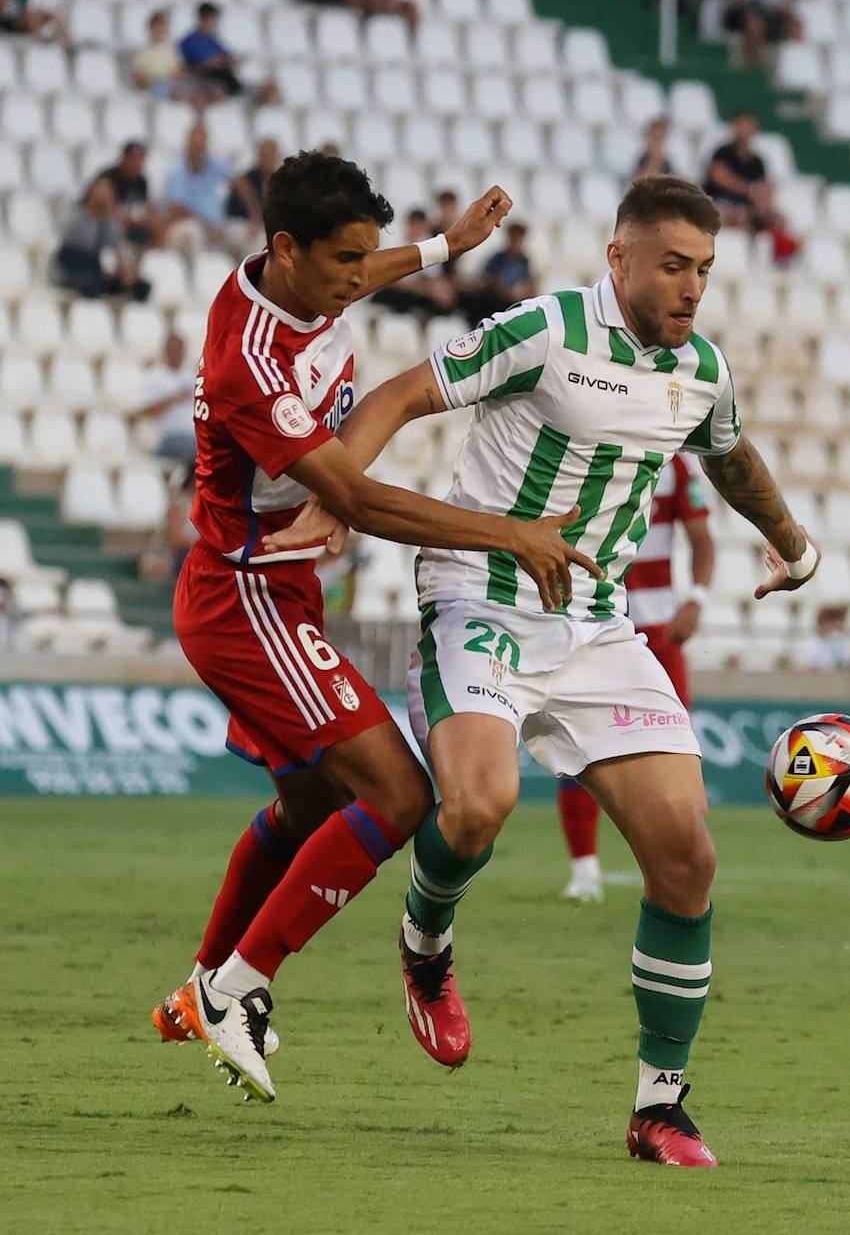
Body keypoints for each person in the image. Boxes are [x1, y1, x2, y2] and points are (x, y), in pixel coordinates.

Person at [269, 174, 820, 1164]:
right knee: (478, 805)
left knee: (686, 858)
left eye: (701, 269)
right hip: (477, 597)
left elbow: (730, 459)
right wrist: (333, 497)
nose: (689, 286)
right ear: (619, 259)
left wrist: (793, 543)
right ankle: (425, 946)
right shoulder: (543, 329)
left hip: (595, 628)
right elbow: (400, 395)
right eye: (670, 265)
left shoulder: (698, 370)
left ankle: (659, 1105)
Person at [150, 154, 596, 1105]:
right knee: (398, 794)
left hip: (279, 595)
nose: (362, 274)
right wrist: (509, 534)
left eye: (366, 256)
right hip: (246, 602)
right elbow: (352, 496)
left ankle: (200, 983)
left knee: (315, 803)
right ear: (287, 249)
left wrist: (443, 247)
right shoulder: (249, 363)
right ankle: (238, 989)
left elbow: (363, 275)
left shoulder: (304, 285)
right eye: (346, 258)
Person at [558, 451, 715, 904]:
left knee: (677, 750)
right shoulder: (584, 452)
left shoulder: (677, 466)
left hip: (660, 626)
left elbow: (704, 540)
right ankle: (584, 868)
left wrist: (697, 599)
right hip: (593, 622)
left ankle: (675, 868)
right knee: (578, 744)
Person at [52, 178, 150, 300]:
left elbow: (117, 248)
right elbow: (83, 249)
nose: (105, 196)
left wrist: (123, 272)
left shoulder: (109, 222)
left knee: (141, 287)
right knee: (90, 282)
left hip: (98, 270)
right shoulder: (76, 217)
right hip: (74, 267)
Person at [162, 123, 233, 252]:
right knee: (193, 233)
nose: (199, 150)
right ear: (188, 144)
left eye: (202, 145)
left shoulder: (213, 163)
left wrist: (254, 214)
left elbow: (237, 180)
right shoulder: (177, 171)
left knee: (244, 234)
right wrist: (207, 226)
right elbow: (178, 210)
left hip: (216, 226)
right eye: (196, 145)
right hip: (186, 225)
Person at [703, 111, 777, 232]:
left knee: (775, 219)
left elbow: (764, 186)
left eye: (748, 126)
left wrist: (763, 197)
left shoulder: (757, 161)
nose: (745, 130)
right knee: (739, 216)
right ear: (734, 127)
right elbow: (718, 176)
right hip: (721, 202)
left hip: (747, 207)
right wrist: (749, 189)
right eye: (741, 126)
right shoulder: (722, 153)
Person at [374, 208, 457, 315]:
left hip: (415, 290)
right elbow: (392, 280)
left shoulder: (426, 242)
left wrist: (442, 291)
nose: (419, 232)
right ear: (409, 225)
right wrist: (426, 290)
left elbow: (434, 276)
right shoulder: (394, 242)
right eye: (417, 227)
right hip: (392, 291)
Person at [138, 333, 197, 463]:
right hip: (168, 439)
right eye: (173, 350)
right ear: (165, 351)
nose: (176, 354)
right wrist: (174, 398)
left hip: (193, 437)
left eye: (179, 350)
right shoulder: (155, 377)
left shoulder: (192, 376)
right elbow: (147, 411)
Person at [132, 10, 204, 105]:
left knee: (198, 90)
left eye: (162, 28)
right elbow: (138, 75)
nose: (160, 31)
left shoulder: (171, 48)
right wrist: (155, 80)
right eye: (157, 28)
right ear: (150, 28)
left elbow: (180, 68)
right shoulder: (142, 51)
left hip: (173, 83)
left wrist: (177, 75)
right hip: (155, 86)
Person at [97, 141, 157, 249]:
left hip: (131, 225)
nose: (137, 164)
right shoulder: (108, 177)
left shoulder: (141, 181)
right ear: (124, 158)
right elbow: (99, 207)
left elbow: (147, 206)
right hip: (106, 226)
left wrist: (146, 217)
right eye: (133, 159)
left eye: (140, 160)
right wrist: (123, 217)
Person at [226, 137, 283, 244]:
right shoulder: (246, 180)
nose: (270, 159)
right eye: (266, 155)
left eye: (273, 155)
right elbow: (235, 209)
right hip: (242, 224)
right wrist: (254, 219)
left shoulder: (281, 182)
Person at [799, 604, 850, 670]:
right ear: (822, 622)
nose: (833, 625)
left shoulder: (837, 641)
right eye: (830, 622)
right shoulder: (810, 644)